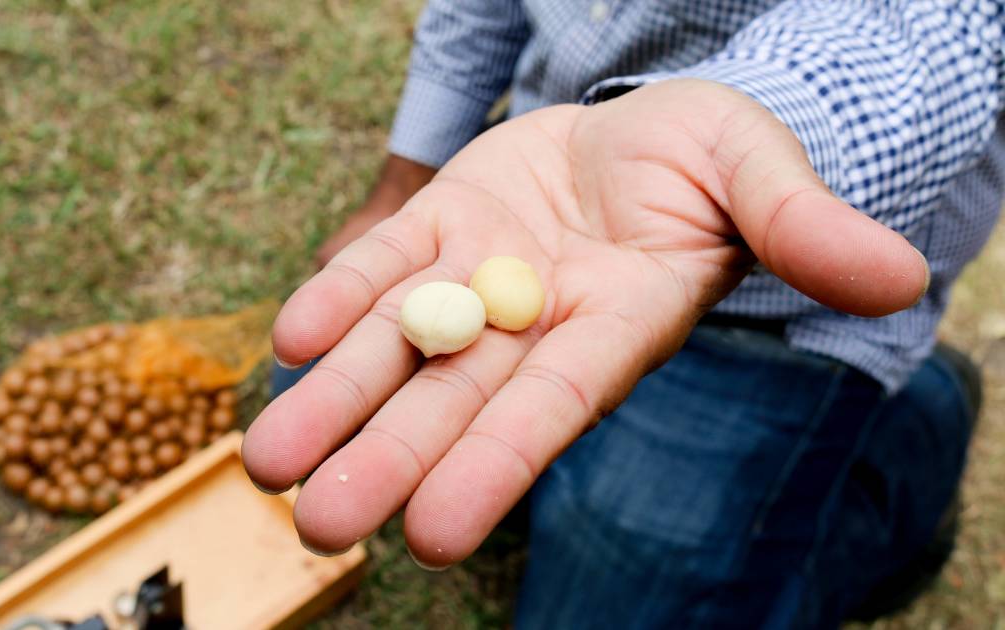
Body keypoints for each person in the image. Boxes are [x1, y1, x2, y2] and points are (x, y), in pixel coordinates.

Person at [244, 1, 1004, 627]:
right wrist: (407, 175)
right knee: (332, 418)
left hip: (779, 314)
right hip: (544, 195)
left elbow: (948, 27)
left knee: (634, 598)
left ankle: (914, 442)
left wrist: (751, 112)